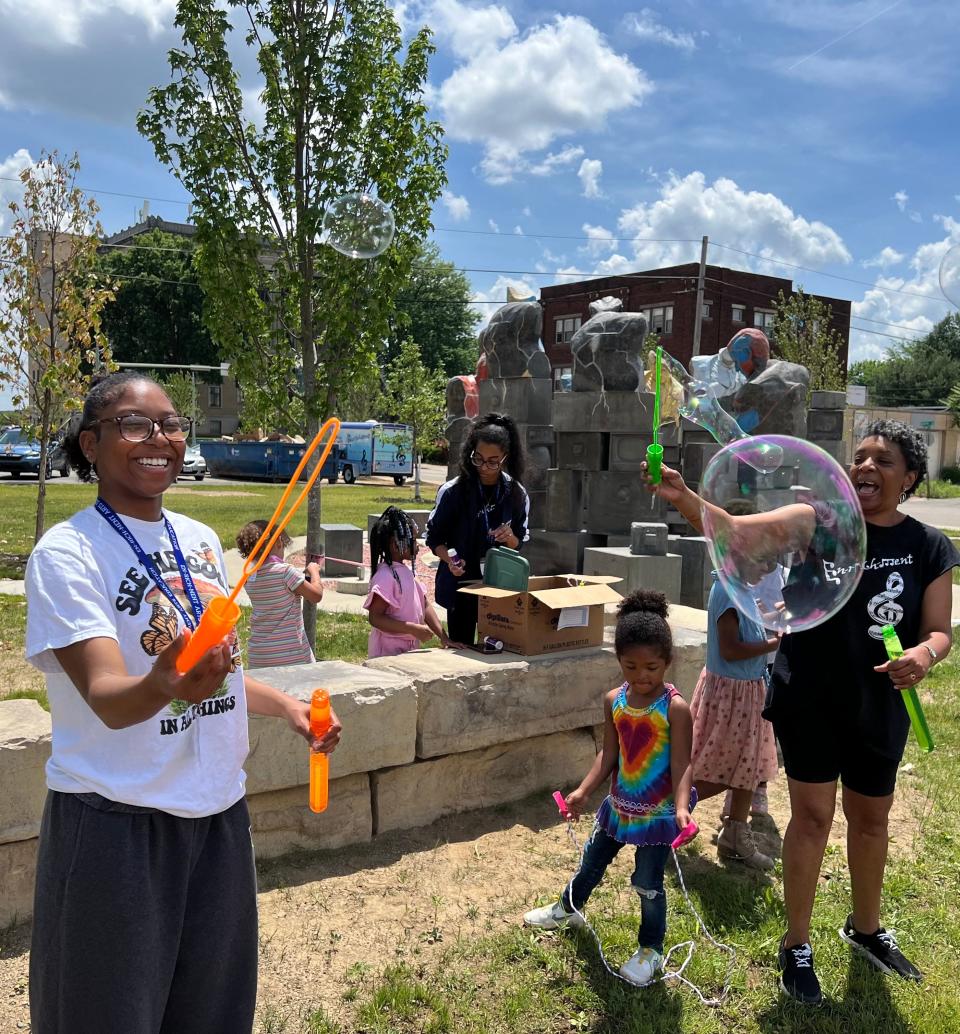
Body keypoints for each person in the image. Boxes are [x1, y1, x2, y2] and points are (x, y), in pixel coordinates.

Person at [24, 371, 342, 1034]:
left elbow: (219, 678)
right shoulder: (68, 552)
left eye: (170, 424)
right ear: (90, 443)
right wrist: (166, 682)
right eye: (134, 425)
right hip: (115, 821)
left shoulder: (199, 538)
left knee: (212, 1015)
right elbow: (110, 697)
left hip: (219, 814)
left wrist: (286, 709)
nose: (159, 439)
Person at [644, 419, 957, 1006]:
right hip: (810, 694)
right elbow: (735, 532)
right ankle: (797, 944)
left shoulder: (928, 546)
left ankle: (866, 930)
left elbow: (939, 630)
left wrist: (924, 653)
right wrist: (684, 497)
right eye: (859, 457)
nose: (866, 467)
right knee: (812, 819)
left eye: (883, 461)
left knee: (872, 821)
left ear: (911, 477)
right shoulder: (820, 525)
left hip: (879, 704)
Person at [523, 590, 695, 987]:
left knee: (648, 884)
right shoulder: (614, 701)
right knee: (592, 861)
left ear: (668, 662)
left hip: (659, 813)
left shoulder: (676, 708)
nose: (641, 676)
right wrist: (583, 790)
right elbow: (609, 754)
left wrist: (683, 808)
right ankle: (568, 908)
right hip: (619, 807)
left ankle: (650, 950)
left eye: (651, 667)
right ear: (618, 661)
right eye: (631, 666)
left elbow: (683, 761)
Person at [693, 570, 780, 870]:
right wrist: (774, 644)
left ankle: (734, 835)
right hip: (732, 696)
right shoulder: (728, 592)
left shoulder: (741, 586)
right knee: (722, 769)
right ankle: (664, 813)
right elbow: (730, 650)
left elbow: (752, 623)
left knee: (749, 768)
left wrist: (779, 613)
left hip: (748, 691)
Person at [426, 412, 530, 645]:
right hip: (461, 586)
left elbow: (519, 542)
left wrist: (510, 537)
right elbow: (434, 539)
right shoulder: (453, 491)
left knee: (498, 648)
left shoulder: (516, 494)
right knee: (461, 649)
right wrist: (450, 560)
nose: (484, 467)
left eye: (493, 461)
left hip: (498, 588)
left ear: (506, 457)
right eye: (478, 458)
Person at [364, 506, 462, 657]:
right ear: (396, 545)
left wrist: (444, 637)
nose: (417, 546)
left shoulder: (408, 571)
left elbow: (425, 605)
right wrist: (412, 629)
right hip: (387, 652)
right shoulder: (385, 577)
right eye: (413, 540)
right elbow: (375, 618)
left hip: (409, 648)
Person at [235, 520, 324, 668]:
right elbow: (316, 595)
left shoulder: (249, 577)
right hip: (291, 655)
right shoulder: (285, 572)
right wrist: (314, 571)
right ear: (278, 542)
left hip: (259, 655)